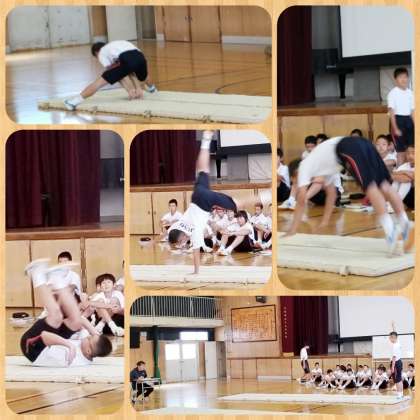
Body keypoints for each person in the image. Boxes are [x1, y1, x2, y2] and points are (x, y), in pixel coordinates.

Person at [284, 136, 413, 254]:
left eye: (295, 182)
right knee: (384, 185)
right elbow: (331, 194)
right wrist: (325, 221)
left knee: (370, 186)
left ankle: (390, 231)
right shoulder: (321, 166)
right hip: (362, 143)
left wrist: (293, 229)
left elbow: (301, 201)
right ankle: (405, 223)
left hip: (347, 147)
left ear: (294, 175)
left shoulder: (303, 167)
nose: (297, 184)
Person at [168, 131, 271, 273]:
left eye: (180, 242)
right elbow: (170, 233)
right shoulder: (177, 226)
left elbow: (196, 253)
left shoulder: (194, 231)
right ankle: (206, 139)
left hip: (206, 201)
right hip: (196, 196)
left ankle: (267, 195)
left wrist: (196, 271)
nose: (182, 244)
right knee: (202, 171)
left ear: (182, 238)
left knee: (239, 204)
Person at [22, 259, 112, 367]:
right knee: (76, 321)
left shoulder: (69, 358)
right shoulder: (88, 348)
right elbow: (81, 320)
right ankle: (56, 278)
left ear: (88, 351)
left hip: (32, 347)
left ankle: (36, 273)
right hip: (48, 342)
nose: (87, 336)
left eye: (89, 338)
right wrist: (94, 333)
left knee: (56, 317)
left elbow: (44, 335)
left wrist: (69, 345)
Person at [64, 40, 157, 110]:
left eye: (96, 57)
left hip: (126, 58)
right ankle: (152, 89)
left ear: (96, 52)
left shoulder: (102, 52)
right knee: (142, 76)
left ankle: (73, 102)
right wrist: (138, 88)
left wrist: (130, 90)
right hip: (140, 57)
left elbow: (116, 75)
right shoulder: (119, 43)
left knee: (99, 82)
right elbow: (130, 70)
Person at [388, 67, 415, 166]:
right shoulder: (392, 93)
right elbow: (391, 112)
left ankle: (409, 172)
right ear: (395, 79)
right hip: (398, 121)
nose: (403, 79)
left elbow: (412, 111)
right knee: (401, 152)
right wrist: (395, 128)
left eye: (405, 77)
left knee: (411, 149)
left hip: (409, 121)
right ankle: (399, 172)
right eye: (400, 77)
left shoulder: (410, 93)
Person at [392, 145, 415, 210]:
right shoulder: (405, 165)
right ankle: (392, 203)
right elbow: (393, 175)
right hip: (407, 196)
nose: (410, 156)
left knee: (406, 182)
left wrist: (403, 172)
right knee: (397, 180)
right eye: (408, 153)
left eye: (413, 153)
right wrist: (405, 172)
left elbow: (411, 177)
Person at [389, 331, 404, 398]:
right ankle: (401, 394)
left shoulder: (395, 346)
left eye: (390, 337)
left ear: (393, 337)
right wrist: (393, 327)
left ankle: (399, 394)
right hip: (399, 362)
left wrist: (392, 367)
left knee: (397, 380)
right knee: (399, 379)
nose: (389, 339)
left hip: (395, 363)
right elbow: (395, 334)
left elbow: (394, 357)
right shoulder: (398, 343)